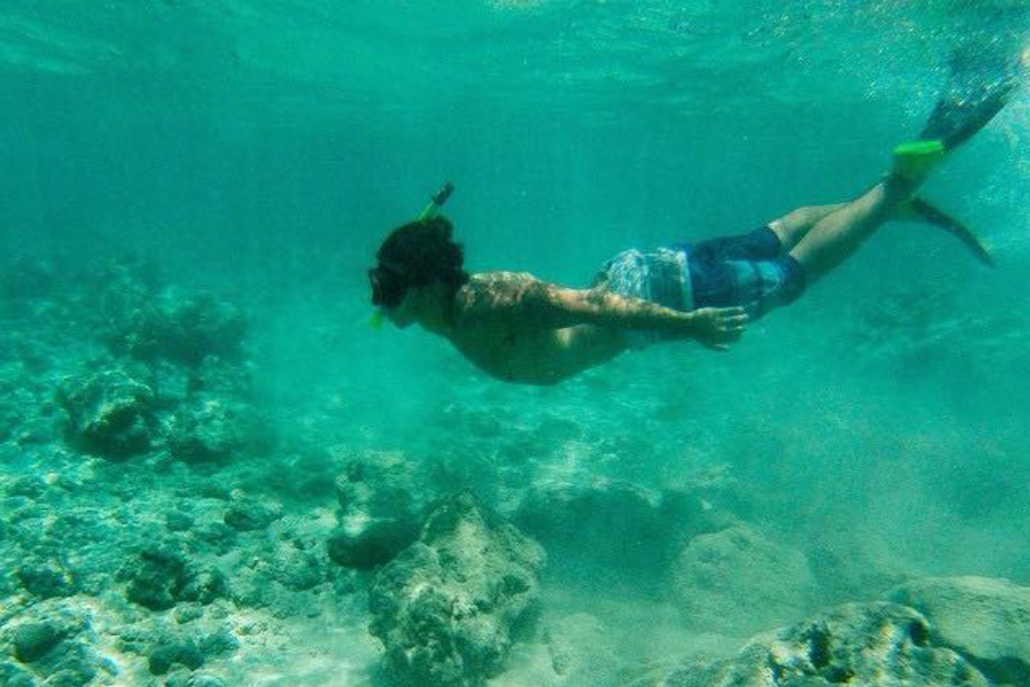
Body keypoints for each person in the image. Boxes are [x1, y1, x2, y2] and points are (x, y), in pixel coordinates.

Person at [368, 49, 1019, 386]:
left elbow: (590, 308)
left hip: (671, 293)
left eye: (388, 286)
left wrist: (688, 325)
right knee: (774, 234)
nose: (380, 298)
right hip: (649, 273)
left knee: (793, 274)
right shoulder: (450, 305)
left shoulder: (482, 308)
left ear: (426, 284)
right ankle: (886, 203)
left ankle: (891, 191)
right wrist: (406, 261)